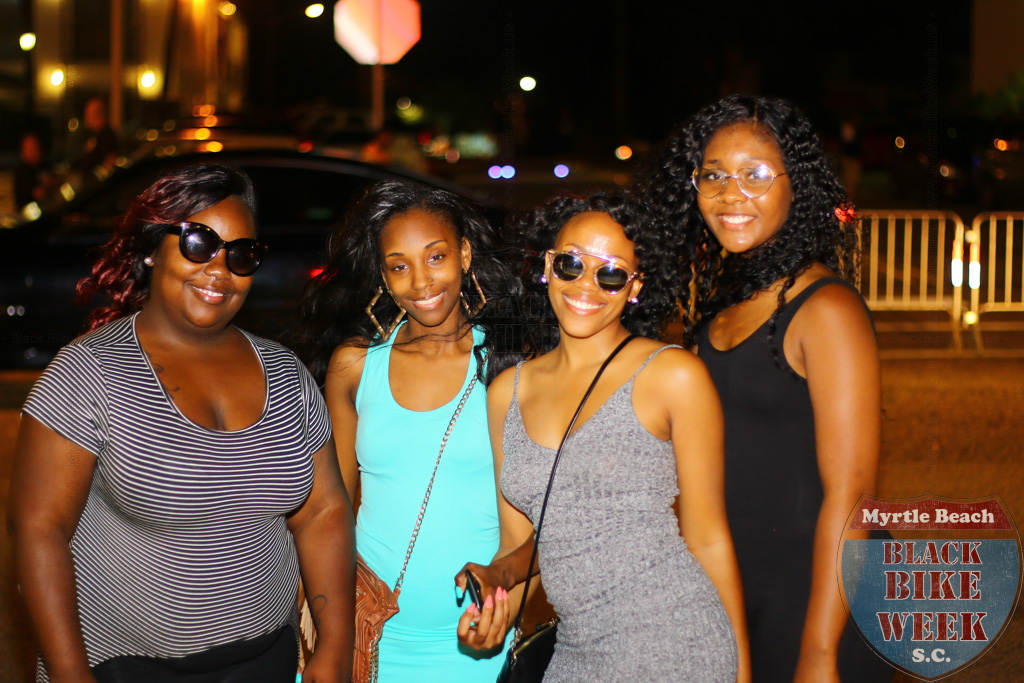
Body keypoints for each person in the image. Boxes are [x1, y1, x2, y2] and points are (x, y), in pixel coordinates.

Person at [8, 165, 355, 682]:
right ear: (153, 249)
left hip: (266, 659)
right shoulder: (91, 372)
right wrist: (69, 674)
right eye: (199, 243)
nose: (220, 269)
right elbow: (39, 530)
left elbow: (323, 513)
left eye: (241, 254)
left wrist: (335, 646)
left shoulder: (285, 374)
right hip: (124, 666)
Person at [643, 94, 888, 682]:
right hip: (738, 587)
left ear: (795, 186)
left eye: (754, 174)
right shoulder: (724, 305)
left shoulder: (826, 310)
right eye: (714, 175)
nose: (731, 194)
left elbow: (854, 496)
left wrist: (820, 653)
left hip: (817, 600)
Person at [454, 193, 750, 682]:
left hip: (676, 643)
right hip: (576, 650)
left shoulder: (672, 375)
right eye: (571, 264)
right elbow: (522, 546)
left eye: (610, 273)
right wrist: (495, 617)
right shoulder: (507, 391)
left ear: (634, 287)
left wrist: (742, 673)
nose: (586, 285)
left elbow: (709, 537)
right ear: (547, 266)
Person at [293, 180, 520, 681]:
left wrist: (506, 609)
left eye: (436, 257)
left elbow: (526, 527)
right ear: (382, 274)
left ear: (464, 254)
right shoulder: (356, 366)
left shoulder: (508, 369)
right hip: (365, 630)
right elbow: (331, 507)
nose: (421, 281)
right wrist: (319, 614)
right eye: (399, 266)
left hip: (473, 641)